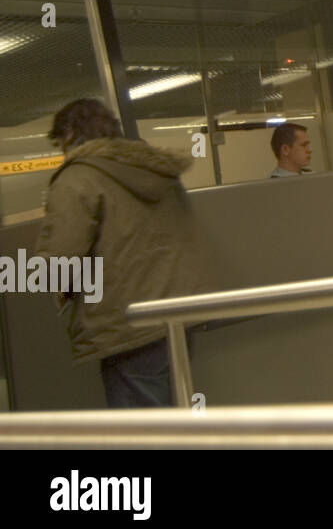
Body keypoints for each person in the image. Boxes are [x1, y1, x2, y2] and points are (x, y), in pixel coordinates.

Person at [35, 99, 207, 408]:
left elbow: (56, 265)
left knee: (139, 432)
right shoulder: (157, 169)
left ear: (71, 134)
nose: (63, 154)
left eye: (61, 145)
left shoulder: (78, 178)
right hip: (178, 315)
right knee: (175, 416)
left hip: (128, 324)